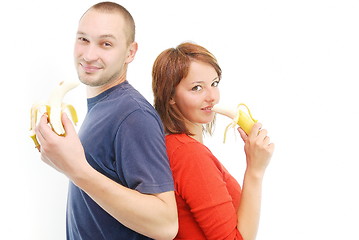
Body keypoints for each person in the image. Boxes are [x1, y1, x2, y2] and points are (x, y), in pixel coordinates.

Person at [35, 2, 178, 239]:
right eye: (83, 39)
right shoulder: (104, 106)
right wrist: (63, 159)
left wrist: (75, 169)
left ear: (130, 52)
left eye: (106, 44)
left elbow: (166, 225)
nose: (89, 55)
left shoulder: (133, 114)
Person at [152, 42, 275, 240]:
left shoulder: (175, 147)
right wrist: (255, 170)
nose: (212, 97)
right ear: (171, 96)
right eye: (197, 88)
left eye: (214, 83)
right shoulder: (189, 154)